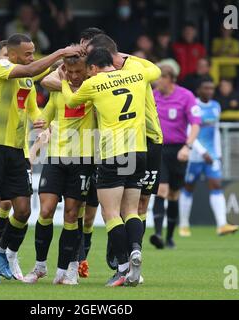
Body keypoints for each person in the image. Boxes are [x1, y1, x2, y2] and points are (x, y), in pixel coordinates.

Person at [0, 34, 82, 285]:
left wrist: (38, 119)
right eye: (27, 53)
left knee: (22, 210)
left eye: (33, 52)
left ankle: (3, 250)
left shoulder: (26, 81)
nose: (32, 57)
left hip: (17, 150)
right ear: (11, 55)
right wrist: (60, 52)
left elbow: (33, 98)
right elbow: (34, 68)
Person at [62, 48, 161, 287]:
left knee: (110, 213)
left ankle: (124, 267)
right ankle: (136, 249)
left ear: (94, 68)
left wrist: (65, 81)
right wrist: (128, 57)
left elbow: (71, 101)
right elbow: (156, 70)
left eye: (88, 69)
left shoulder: (94, 83)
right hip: (139, 152)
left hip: (113, 154)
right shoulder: (137, 73)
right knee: (131, 211)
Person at [23, 52, 96, 285]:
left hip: (83, 159)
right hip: (55, 159)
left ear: (87, 71)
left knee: (72, 215)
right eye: (69, 72)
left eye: (78, 72)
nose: (74, 76)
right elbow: (46, 120)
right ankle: (40, 266)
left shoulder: (94, 93)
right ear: (63, 70)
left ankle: (68, 269)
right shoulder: (57, 94)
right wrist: (38, 129)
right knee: (45, 211)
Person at [178, 77, 239, 237]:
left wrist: (218, 154)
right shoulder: (193, 105)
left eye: (212, 88)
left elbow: (215, 131)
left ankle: (222, 225)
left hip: (212, 157)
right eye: (206, 88)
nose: (209, 91)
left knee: (216, 185)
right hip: (194, 157)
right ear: (199, 90)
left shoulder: (215, 106)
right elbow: (189, 131)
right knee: (188, 187)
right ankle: (184, 225)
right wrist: (201, 151)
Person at [151, 60, 201, 250]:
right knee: (161, 190)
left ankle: (170, 236)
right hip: (159, 149)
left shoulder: (186, 96)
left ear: (170, 79)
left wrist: (187, 147)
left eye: (160, 79)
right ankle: (157, 234)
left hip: (179, 149)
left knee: (174, 194)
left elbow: (196, 123)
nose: (156, 83)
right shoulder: (152, 96)